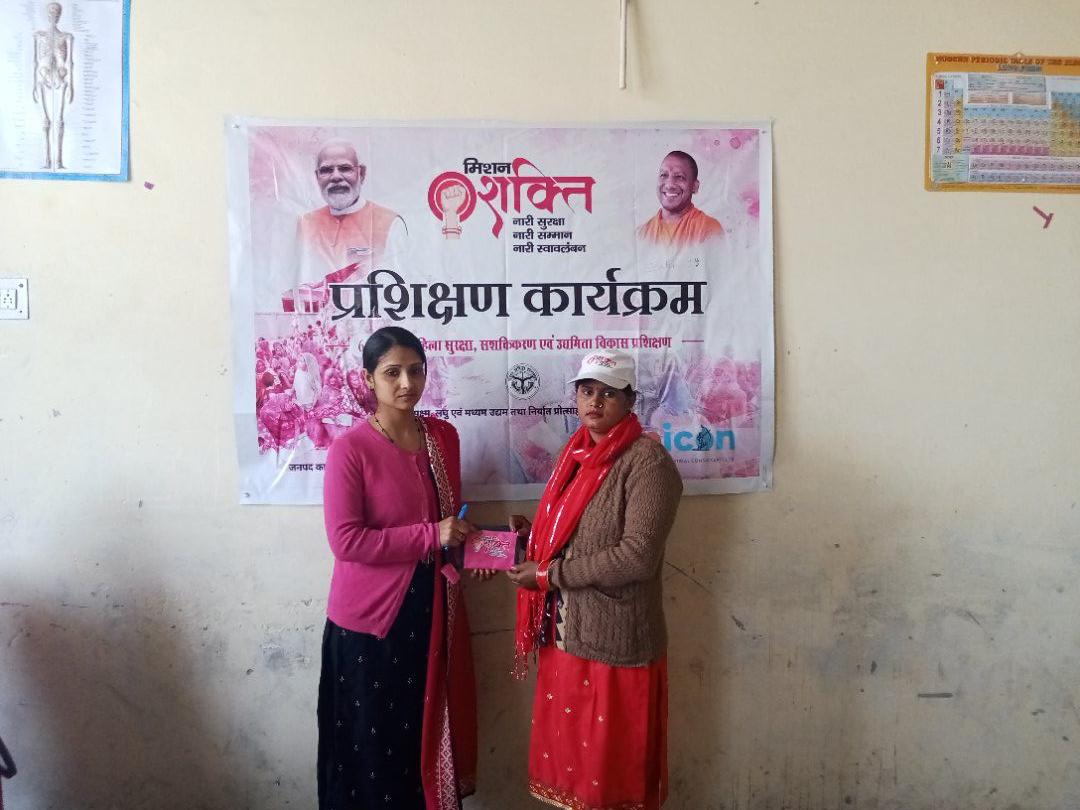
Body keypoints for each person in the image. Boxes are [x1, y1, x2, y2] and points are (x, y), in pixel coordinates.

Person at [318, 325, 486, 810]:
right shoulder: (350, 450)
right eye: (392, 372)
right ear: (368, 379)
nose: (407, 383)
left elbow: (451, 517)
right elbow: (346, 541)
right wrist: (431, 535)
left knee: (419, 743)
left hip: (431, 611)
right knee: (373, 749)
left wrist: (481, 548)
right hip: (372, 624)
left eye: (416, 370)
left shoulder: (443, 438)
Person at [507, 349, 683, 810]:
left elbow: (637, 556)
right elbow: (577, 533)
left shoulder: (647, 462)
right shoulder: (575, 453)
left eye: (609, 393)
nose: (595, 402)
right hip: (565, 638)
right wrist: (534, 536)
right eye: (587, 391)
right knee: (572, 780)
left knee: (608, 783)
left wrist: (549, 574)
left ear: (630, 401)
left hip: (615, 644)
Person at [295, 141, 408, 291]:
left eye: (345, 168)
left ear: (361, 174)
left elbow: (402, 286)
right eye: (326, 170)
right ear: (317, 177)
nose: (335, 177)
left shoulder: (390, 223)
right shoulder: (306, 223)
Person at [637, 150, 724, 247]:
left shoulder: (709, 229)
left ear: (695, 186)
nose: (669, 185)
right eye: (664, 175)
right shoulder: (642, 234)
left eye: (679, 177)